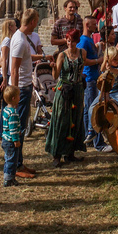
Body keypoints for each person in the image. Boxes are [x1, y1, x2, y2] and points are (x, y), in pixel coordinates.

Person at [45, 27, 86, 168]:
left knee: (76, 119)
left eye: (72, 41)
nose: (70, 44)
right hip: (64, 91)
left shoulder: (83, 53)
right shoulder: (62, 55)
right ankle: (56, 154)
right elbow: (56, 76)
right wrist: (53, 67)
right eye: (68, 41)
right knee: (61, 120)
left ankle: (70, 153)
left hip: (78, 90)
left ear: (77, 41)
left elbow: (81, 70)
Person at [8, 8, 39, 179]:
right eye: (37, 20)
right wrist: (14, 93)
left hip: (24, 87)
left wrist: (42, 56)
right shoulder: (20, 40)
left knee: (21, 127)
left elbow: (25, 59)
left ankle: (19, 162)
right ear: (32, 21)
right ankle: (15, 167)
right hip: (21, 89)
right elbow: (14, 69)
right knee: (17, 129)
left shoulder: (21, 38)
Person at [78, 17, 101, 152]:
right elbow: (82, 60)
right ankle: (89, 134)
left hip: (94, 77)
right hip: (89, 78)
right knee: (90, 108)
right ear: (87, 25)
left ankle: (90, 134)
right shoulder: (83, 41)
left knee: (92, 106)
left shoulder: (91, 39)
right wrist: (98, 60)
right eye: (93, 24)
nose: (96, 26)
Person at [0, 85, 22, 187]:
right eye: (18, 96)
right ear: (14, 98)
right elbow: (12, 128)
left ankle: (8, 176)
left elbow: (6, 126)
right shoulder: (13, 113)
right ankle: (8, 179)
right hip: (10, 141)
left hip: (5, 139)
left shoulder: (5, 109)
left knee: (8, 159)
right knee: (12, 160)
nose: (20, 98)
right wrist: (16, 140)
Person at [0, 18, 16, 91]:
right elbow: (3, 60)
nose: (16, 27)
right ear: (10, 27)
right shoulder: (7, 41)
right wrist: (5, 78)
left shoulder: (9, 40)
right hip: (6, 74)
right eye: (15, 25)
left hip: (7, 73)